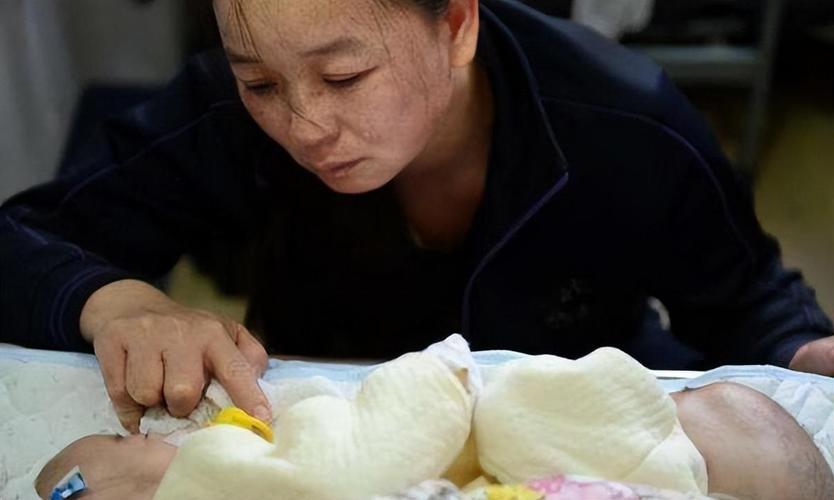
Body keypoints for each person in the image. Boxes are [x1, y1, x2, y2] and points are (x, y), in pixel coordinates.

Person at [2, 0, 833, 433]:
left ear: (457, 26)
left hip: (566, 428)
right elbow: (25, 239)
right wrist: (116, 302)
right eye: (261, 83)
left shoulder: (624, 122)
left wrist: (803, 353)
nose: (304, 127)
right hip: (325, 425)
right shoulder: (225, 113)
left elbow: (745, 301)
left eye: (344, 78)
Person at [33, 383, 834, 499]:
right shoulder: (213, 457)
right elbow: (328, 449)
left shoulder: (221, 449)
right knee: (516, 407)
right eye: (115, 439)